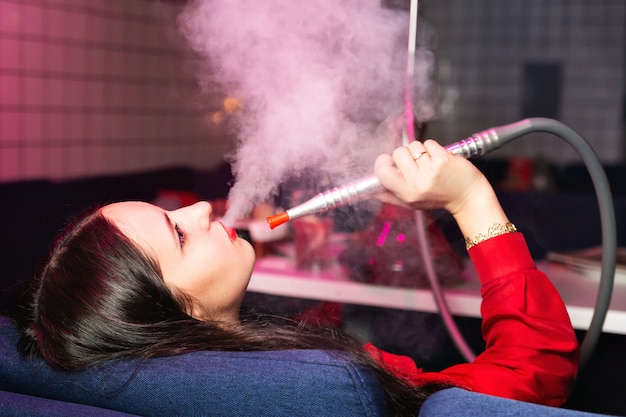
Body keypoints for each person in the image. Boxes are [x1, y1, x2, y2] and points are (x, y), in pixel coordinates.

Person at [6, 140, 579, 416]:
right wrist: (473, 199)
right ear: (172, 316)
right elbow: (534, 378)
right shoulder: (337, 383)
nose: (202, 210)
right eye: (178, 234)